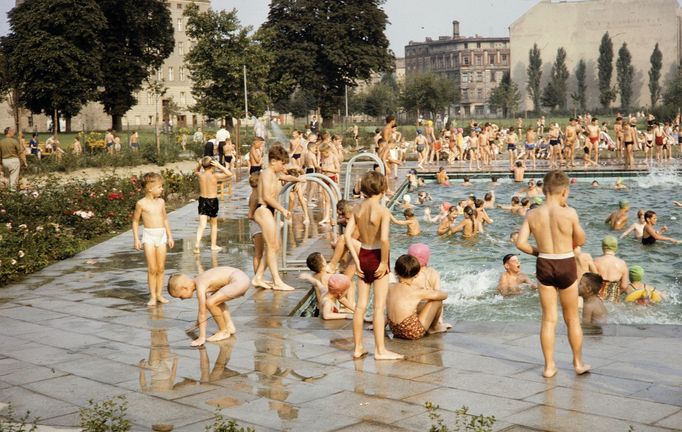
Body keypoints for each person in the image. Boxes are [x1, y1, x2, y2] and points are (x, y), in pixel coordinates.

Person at [515, 170, 590, 378]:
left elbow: (520, 243)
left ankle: (549, 367)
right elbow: (581, 240)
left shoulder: (532, 214)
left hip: (545, 263)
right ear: (564, 191)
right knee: (572, 318)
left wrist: (538, 252)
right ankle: (578, 363)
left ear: (543, 189)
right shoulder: (569, 212)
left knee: (549, 319)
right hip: (565, 262)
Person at [345, 171, 403, 360]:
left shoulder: (357, 208)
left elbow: (347, 237)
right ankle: (380, 350)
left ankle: (358, 347)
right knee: (378, 308)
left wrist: (357, 258)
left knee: (360, 306)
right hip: (378, 255)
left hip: (363, 253)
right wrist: (385, 262)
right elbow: (385, 239)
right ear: (383, 188)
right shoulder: (382, 211)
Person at [252, 146, 304, 291]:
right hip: (263, 210)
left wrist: (299, 179)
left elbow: (286, 177)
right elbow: (267, 196)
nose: (283, 166)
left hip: (269, 211)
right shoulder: (267, 174)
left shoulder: (275, 173)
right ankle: (276, 281)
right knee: (272, 246)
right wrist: (282, 209)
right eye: (282, 163)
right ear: (273, 161)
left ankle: (258, 277)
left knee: (275, 246)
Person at [168, 267, 249, 346]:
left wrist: (201, 337)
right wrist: (198, 323)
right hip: (241, 278)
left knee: (210, 302)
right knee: (216, 299)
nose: (181, 299)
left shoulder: (200, 285)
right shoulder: (199, 279)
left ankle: (223, 331)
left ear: (184, 288)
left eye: (180, 296)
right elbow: (203, 312)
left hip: (238, 281)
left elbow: (202, 313)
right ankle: (229, 327)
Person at [132, 173, 175, 306]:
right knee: (152, 268)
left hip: (161, 235)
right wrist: (136, 239)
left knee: (161, 268)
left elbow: (165, 219)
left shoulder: (161, 202)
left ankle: (160, 294)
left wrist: (170, 236)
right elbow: (135, 221)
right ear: (150, 188)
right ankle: (152, 296)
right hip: (148, 236)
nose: (162, 189)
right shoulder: (141, 203)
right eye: (160, 187)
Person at [386, 254, 448, 340]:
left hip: (394, 329)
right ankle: (434, 328)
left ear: (395, 271)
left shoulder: (389, 287)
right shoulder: (416, 291)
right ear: (417, 274)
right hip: (412, 333)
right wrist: (429, 292)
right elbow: (444, 296)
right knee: (437, 301)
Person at [193, 157, 233, 254]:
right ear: (212, 165)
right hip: (212, 200)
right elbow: (230, 174)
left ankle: (197, 244)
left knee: (202, 224)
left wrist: (199, 164)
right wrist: (219, 165)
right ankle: (213, 245)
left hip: (202, 200)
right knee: (213, 224)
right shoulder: (215, 176)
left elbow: (195, 171)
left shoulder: (200, 175)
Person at [593, 236, 630, 302]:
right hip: (613, 300)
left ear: (602, 247)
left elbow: (589, 283)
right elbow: (624, 286)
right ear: (616, 247)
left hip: (597, 299)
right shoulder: (622, 263)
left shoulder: (595, 261)